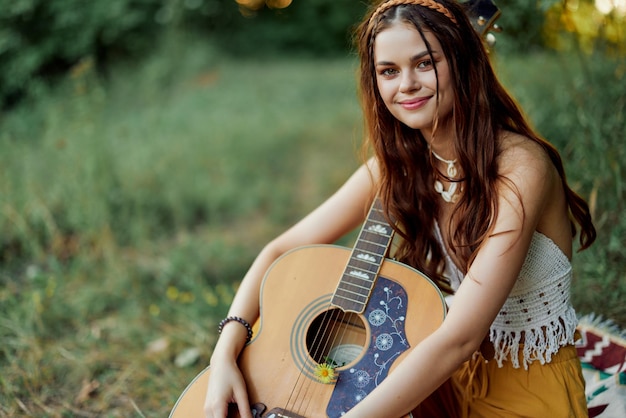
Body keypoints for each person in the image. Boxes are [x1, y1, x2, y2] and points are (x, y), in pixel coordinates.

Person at [203, 0, 596, 417]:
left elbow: (461, 338)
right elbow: (281, 251)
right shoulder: (400, 167)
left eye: (424, 63)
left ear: (462, 63)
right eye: (389, 71)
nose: (406, 84)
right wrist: (224, 354)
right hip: (436, 378)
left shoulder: (520, 168)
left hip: (527, 384)